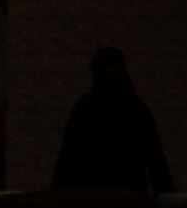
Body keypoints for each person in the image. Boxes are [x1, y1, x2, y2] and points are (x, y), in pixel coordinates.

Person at [51, 46, 171, 194]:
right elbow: (157, 165)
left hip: (90, 200)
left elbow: (66, 163)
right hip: (131, 201)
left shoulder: (84, 109)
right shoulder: (138, 110)